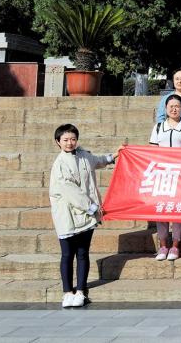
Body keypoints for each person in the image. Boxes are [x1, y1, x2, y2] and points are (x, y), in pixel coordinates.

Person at [49, 124, 121, 308]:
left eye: (73, 139)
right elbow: (70, 191)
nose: (69, 143)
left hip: (87, 216)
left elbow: (97, 161)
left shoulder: (84, 155)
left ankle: (80, 290)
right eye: (65, 140)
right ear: (58, 142)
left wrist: (113, 156)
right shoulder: (60, 164)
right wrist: (92, 207)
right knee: (67, 254)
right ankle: (67, 292)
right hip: (68, 215)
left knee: (82, 253)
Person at [149, 94, 181, 261]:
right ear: (165, 108)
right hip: (161, 174)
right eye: (171, 106)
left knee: (177, 210)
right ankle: (163, 245)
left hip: (180, 174)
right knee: (161, 210)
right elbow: (152, 151)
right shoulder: (158, 127)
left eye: (177, 106)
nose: (174, 109)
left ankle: (175, 245)